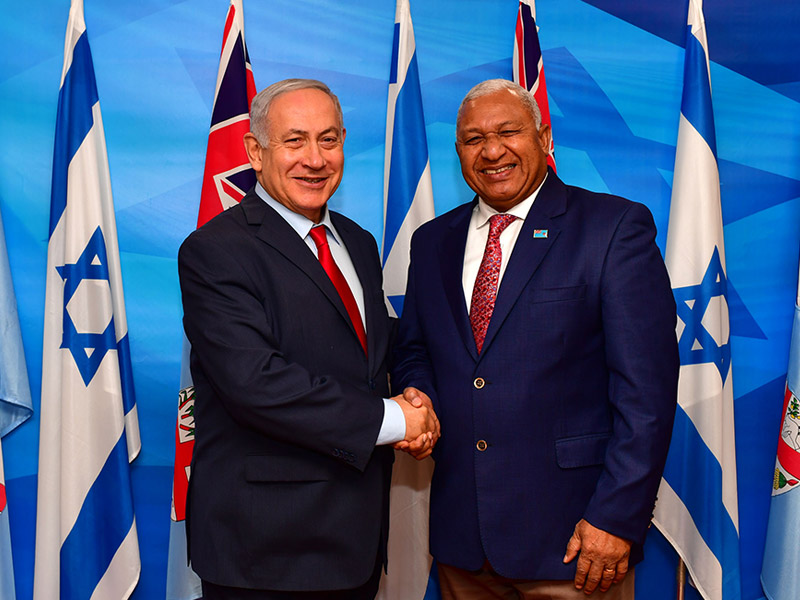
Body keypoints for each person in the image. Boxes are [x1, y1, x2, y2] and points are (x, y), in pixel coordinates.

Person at [392, 79, 679, 599]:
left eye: (508, 132)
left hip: (574, 543)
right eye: (474, 139)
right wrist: (419, 399)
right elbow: (415, 349)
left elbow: (647, 393)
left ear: (544, 139)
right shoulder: (432, 241)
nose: (492, 150)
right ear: (458, 150)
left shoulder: (612, 228)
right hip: (463, 541)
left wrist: (616, 518)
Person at [178, 78, 438, 600]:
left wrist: (417, 395)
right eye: (294, 141)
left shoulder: (357, 242)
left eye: (329, 139)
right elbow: (256, 384)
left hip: (356, 543)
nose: (315, 160)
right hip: (265, 554)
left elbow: (375, 350)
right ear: (256, 151)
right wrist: (395, 420)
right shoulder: (216, 251)